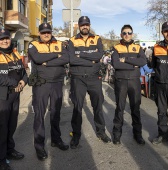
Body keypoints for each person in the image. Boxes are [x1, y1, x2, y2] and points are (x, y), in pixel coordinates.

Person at [28, 23, 69, 160]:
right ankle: (39, 147)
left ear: (51, 32)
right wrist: (56, 56)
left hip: (57, 83)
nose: (46, 34)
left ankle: (56, 140)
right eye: (43, 32)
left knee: (56, 113)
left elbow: (66, 58)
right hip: (41, 84)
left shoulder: (60, 44)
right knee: (39, 115)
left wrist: (48, 62)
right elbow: (37, 59)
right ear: (39, 33)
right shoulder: (33, 45)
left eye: (48, 32)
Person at [68, 16, 111, 149]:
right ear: (79, 26)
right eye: (82, 25)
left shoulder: (97, 38)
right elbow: (71, 59)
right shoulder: (72, 40)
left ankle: (101, 132)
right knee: (77, 108)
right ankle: (76, 136)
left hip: (94, 77)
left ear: (89, 25)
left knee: (98, 106)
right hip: (78, 78)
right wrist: (90, 59)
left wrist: (80, 55)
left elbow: (99, 55)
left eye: (87, 24)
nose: (84, 27)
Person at [111, 24, 147, 145]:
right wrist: (133, 65)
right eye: (124, 33)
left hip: (134, 82)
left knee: (135, 109)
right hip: (121, 81)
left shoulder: (137, 47)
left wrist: (125, 60)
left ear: (132, 34)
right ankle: (116, 135)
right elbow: (116, 64)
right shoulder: (116, 48)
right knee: (120, 108)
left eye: (129, 33)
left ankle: (138, 135)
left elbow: (143, 61)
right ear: (121, 34)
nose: (127, 35)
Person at [0, 29, 27, 170]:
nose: (5, 41)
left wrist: (23, 82)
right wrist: (14, 83)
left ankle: (10, 150)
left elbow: (23, 72)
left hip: (15, 96)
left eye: (6, 38)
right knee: (2, 128)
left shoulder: (15, 53)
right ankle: (1, 159)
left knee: (11, 126)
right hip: (2, 97)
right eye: (1, 39)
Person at [151, 21, 168, 145]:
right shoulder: (156, 47)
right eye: (166, 31)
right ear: (162, 33)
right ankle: (163, 135)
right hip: (160, 84)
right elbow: (153, 65)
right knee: (161, 111)